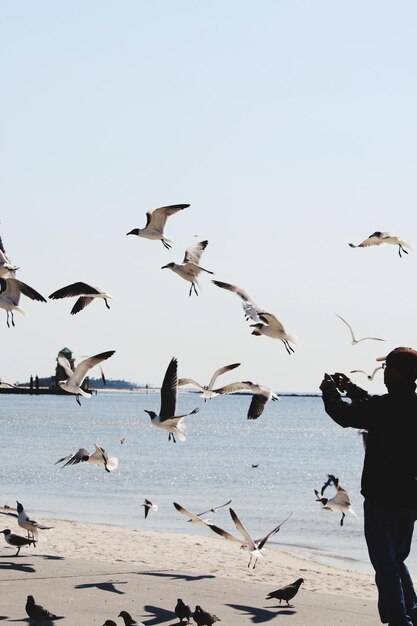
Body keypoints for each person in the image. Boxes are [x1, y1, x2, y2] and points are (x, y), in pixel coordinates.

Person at [320, 347, 417, 626]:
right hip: (410, 500)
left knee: (385, 564)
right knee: (396, 559)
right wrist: (351, 388)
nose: (384, 373)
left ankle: (399, 619)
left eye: (388, 369)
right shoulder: (408, 405)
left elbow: (346, 416)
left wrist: (329, 392)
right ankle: (412, 609)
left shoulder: (384, 408)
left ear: (397, 374)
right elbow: (374, 405)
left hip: (382, 498)